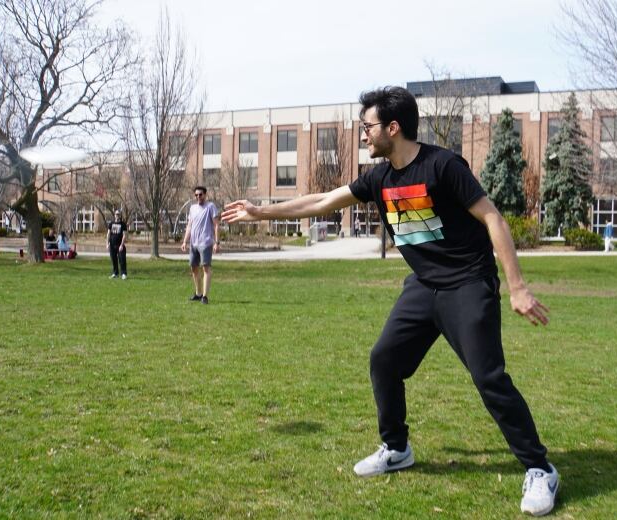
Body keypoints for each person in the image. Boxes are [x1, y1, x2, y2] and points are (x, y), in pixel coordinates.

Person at [222, 87, 558, 516]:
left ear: (393, 129)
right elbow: (323, 201)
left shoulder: (443, 166)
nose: (363, 134)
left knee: (488, 377)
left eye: (368, 127)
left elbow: (492, 217)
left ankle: (539, 468)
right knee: (384, 360)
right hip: (423, 286)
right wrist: (260, 212)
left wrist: (518, 287)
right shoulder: (379, 178)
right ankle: (397, 448)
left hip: (468, 285)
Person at [181, 186, 220, 304]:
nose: (198, 197)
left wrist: (217, 242)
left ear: (205, 195)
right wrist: (184, 241)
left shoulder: (210, 207)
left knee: (206, 268)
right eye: (196, 195)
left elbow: (216, 225)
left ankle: (205, 296)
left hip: (206, 243)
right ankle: (198, 293)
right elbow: (189, 225)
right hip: (194, 244)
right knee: (193, 268)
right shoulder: (193, 208)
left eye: (201, 194)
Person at [106, 210, 127, 279]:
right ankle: (115, 273)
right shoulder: (111, 223)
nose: (117, 215)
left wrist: (122, 245)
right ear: (114, 215)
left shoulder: (123, 224)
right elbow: (108, 234)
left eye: (118, 214)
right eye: (116, 214)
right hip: (112, 245)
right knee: (113, 259)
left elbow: (124, 235)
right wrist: (107, 243)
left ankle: (123, 274)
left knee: (122, 259)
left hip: (120, 245)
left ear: (120, 215)